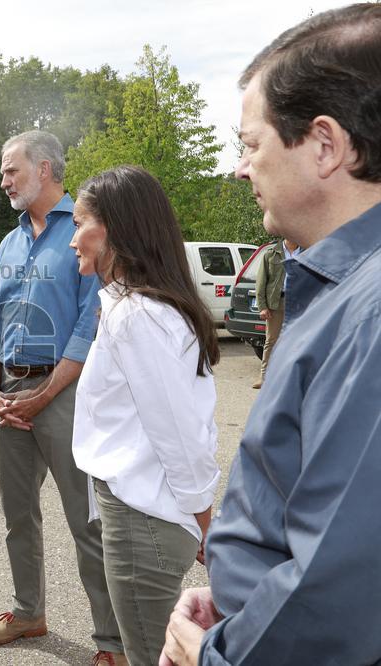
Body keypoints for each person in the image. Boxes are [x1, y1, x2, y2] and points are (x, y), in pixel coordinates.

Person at [161, 4, 381, 664]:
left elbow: (337, 593)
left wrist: (217, 654)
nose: (240, 167)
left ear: (325, 145)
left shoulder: (370, 313)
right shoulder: (345, 290)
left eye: (251, 144)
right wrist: (239, 601)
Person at [0, 130, 125, 666]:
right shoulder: (8, 243)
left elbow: (91, 322)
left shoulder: (85, 232)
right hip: (10, 397)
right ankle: (27, 612)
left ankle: (113, 641)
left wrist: (44, 395)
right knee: (18, 514)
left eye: (10, 169)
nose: (3, 180)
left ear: (44, 169)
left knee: (87, 521)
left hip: (65, 394)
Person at [70, 166, 220, 666]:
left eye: (80, 224)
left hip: (146, 520)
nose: (72, 239)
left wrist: (205, 523)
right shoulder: (133, 308)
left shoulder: (138, 315)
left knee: (152, 656)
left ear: (114, 229)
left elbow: (179, 435)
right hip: (146, 513)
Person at [251, 237, 300, 389]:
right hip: (276, 303)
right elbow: (261, 283)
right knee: (271, 340)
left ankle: (291, 377)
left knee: (297, 340)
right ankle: (264, 377)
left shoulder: (306, 251)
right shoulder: (271, 254)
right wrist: (262, 307)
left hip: (299, 302)